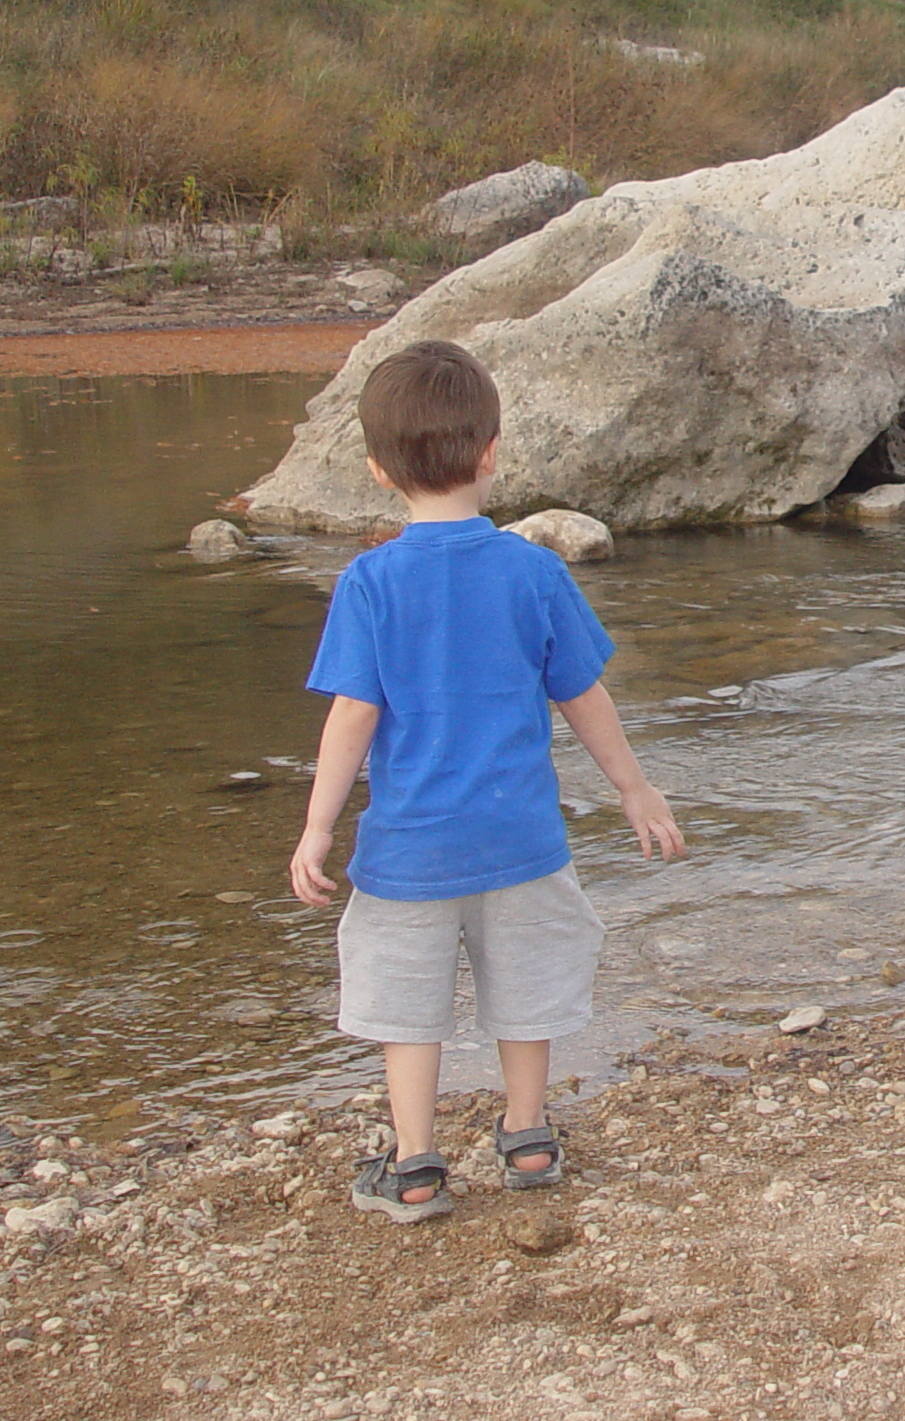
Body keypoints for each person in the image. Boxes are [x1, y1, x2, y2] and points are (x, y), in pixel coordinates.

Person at [288, 339, 685, 1223]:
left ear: (377, 472)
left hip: (408, 853)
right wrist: (634, 789)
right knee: (527, 987)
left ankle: (418, 1164)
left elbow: (351, 719)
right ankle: (529, 1137)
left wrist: (317, 828)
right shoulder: (533, 568)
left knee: (407, 1008)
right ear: (492, 452)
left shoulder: (369, 582)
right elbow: (582, 695)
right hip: (520, 840)